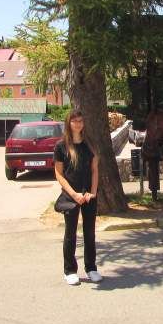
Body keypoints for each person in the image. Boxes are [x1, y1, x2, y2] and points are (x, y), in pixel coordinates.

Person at [54, 109, 100, 286]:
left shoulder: (90, 144)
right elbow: (58, 174)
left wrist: (93, 192)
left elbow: (95, 170)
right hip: (70, 195)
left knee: (89, 232)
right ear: (69, 123)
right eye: (74, 121)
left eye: (81, 121)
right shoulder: (61, 146)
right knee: (70, 233)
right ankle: (70, 271)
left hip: (88, 195)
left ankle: (91, 268)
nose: (78, 124)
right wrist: (73, 194)